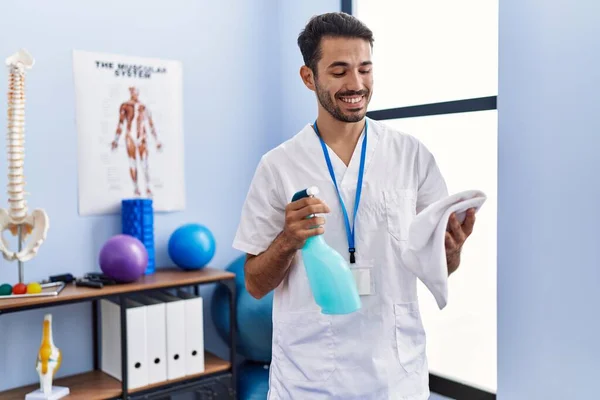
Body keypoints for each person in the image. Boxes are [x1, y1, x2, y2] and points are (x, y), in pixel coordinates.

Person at [232, 12, 477, 400]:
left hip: (396, 377)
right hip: (308, 380)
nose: (356, 84)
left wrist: (452, 249)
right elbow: (255, 284)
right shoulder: (278, 166)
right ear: (309, 77)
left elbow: (441, 264)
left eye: (365, 69)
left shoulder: (411, 155)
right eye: (340, 70)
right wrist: (287, 240)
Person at [111, 86, 162, 198]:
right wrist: (115, 139)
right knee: (132, 163)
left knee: (144, 164)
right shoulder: (125, 106)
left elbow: (150, 124)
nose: (134, 93)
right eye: (132, 91)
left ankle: (148, 187)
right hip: (130, 137)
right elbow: (120, 123)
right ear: (130, 92)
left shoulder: (144, 107)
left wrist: (157, 140)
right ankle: (136, 189)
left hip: (142, 137)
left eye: (136, 92)